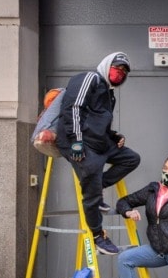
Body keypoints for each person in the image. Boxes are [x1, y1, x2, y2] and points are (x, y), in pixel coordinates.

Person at [56, 51, 141, 255]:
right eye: (117, 67)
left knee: (131, 159)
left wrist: (114, 136)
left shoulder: (109, 94)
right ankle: (97, 236)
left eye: (123, 71)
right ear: (107, 65)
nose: (119, 73)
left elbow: (97, 122)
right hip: (79, 143)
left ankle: (96, 185)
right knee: (92, 184)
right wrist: (76, 142)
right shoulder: (90, 78)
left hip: (99, 142)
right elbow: (74, 109)